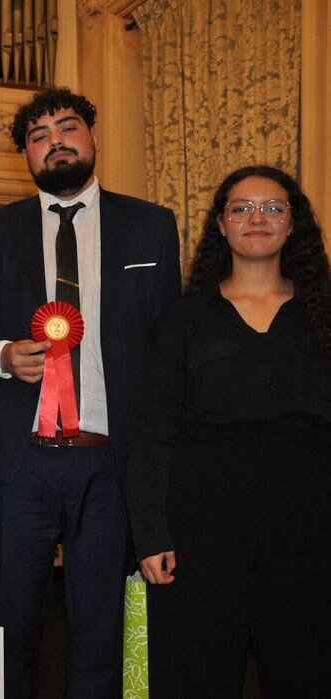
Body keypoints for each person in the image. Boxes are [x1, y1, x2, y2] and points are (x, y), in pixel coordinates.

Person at [0, 86, 181, 697]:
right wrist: (1, 356)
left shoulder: (152, 228)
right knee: (13, 632)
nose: (55, 141)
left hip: (110, 464)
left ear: (93, 138)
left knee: (98, 635)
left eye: (67, 127)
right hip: (22, 463)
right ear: (25, 157)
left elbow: (168, 355)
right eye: (38, 136)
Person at [126, 165, 331, 697]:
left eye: (272, 207)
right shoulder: (184, 320)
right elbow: (154, 431)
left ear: (294, 224)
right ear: (221, 225)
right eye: (241, 208)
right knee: (199, 674)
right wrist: (149, 532)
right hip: (200, 531)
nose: (256, 218)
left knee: (308, 669)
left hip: (309, 528)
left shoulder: (324, 317)